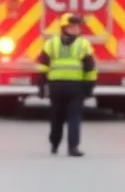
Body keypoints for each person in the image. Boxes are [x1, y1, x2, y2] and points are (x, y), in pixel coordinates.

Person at [37, 13, 95, 157]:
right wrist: (90, 85)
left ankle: (66, 146)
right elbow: (90, 67)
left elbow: (90, 67)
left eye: (76, 26)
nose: (75, 29)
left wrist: (42, 84)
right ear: (64, 28)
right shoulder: (83, 44)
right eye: (72, 26)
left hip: (66, 86)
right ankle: (60, 144)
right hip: (66, 86)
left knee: (66, 117)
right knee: (62, 116)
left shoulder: (51, 43)